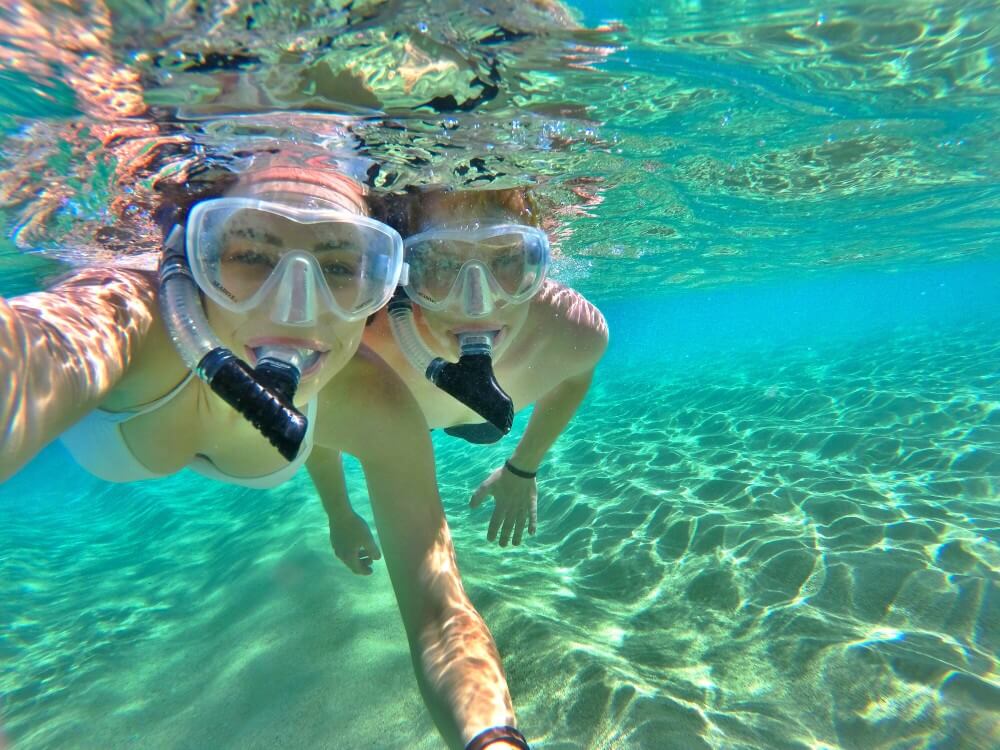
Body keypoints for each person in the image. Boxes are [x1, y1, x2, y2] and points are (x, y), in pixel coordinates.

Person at [0, 162, 531, 750]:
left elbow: (440, 610)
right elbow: (26, 354)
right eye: (251, 256)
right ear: (188, 260)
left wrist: (493, 743)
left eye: (337, 266)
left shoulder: (373, 402)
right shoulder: (121, 315)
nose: (296, 309)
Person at [321, 186, 608, 571]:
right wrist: (338, 512)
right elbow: (317, 422)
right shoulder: (362, 344)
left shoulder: (574, 331)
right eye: (440, 264)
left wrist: (523, 468)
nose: (478, 303)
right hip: (402, 416)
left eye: (508, 259)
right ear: (406, 275)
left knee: (486, 426)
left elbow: (574, 378)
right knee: (398, 430)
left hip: (486, 421)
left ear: (538, 269)